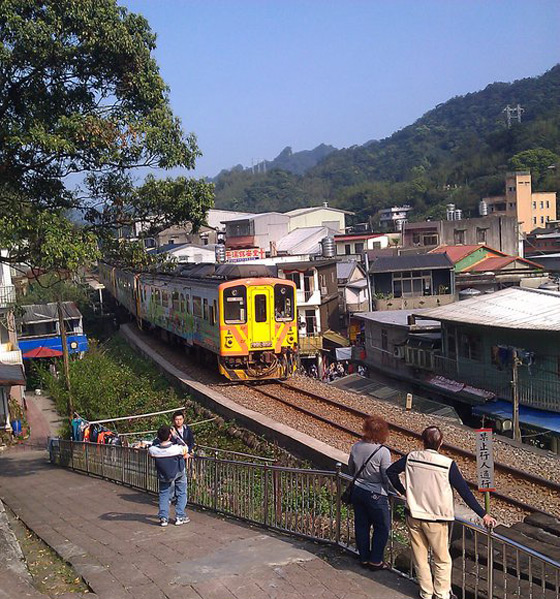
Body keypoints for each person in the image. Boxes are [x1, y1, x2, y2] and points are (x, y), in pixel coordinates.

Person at [386, 426, 497, 599]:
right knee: (442, 559)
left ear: (423, 441)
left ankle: (426, 592)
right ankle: (442, 594)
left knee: (420, 557)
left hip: (413, 515)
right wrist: (484, 514)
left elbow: (390, 471)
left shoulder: (411, 457)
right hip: (436, 519)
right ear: (441, 443)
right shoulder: (447, 464)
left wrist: (404, 491)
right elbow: (465, 493)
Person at [348, 415, 392, 570]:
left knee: (362, 525)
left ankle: (364, 558)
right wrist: (393, 490)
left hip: (358, 491)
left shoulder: (356, 447)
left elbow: (351, 469)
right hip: (376, 494)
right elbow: (386, 476)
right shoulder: (383, 452)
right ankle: (376, 560)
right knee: (382, 527)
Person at [148, 425, 191, 527]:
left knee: (164, 494)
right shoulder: (176, 449)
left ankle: (163, 518)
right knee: (181, 492)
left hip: (163, 475)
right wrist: (176, 436)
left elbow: (150, 453)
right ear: (170, 436)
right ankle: (180, 516)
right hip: (178, 472)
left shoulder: (153, 449)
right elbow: (186, 447)